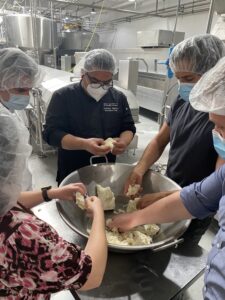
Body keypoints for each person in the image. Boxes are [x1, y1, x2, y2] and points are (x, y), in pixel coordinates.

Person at [109, 56, 225, 299]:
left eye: (223, 128)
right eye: (215, 127)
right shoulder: (183, 101)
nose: (218, 135)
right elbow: (196, 198)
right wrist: (133, 217)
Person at [124, 34, 225, 247]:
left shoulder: (220, 113)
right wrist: (140, 168)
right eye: (178, 78)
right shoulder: (182, 99)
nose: (182, 85)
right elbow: (160, 140)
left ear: (213, 73)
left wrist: (168, 198)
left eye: (188, 79)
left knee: (179, 250)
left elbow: (216, 186)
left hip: (197, 207)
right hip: (172, 185)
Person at [0, 105, 108, 299]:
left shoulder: (3, 200)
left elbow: (6, 199)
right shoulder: (23, 234)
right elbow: (90, 277)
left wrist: (51, 193)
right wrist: (98, 214)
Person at [42, 49, 136, 185]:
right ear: (83, 74)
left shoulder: (118, 98)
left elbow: (128, 127)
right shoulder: (63, 97)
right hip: (73, 168)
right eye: (95, 81)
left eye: (107, 82)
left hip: (107, 166)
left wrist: (123, 142)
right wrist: (84, 144)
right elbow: (51, 133)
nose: (101, 87)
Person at [0, 47, 42, 191]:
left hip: (20, 192)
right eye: (20, 90)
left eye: (29, 89)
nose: (26, 96)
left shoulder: (12, 110)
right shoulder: (3, 121)